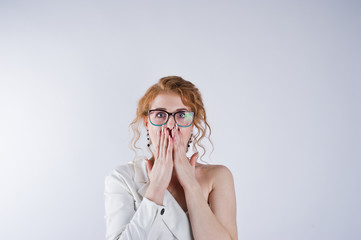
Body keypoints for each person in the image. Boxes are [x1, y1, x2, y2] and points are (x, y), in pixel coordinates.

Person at [104, 76, 237, 240]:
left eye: (181, 115)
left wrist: (191, 185)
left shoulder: (218, 176)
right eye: (160, 114)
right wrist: (156, 189)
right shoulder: (122, 178)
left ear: (193, 123)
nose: (170, 125)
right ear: (147, 122)